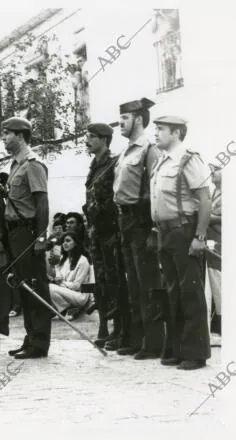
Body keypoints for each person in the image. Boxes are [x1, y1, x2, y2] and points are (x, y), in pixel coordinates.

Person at [151, 116, 211, 370]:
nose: (156, 134)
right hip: (166, 233)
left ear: (176, 133)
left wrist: (199, 237)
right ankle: (176, 349)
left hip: (184, 230)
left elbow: (205, 199)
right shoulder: (162, 161)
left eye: (161, 129)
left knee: (190, 292)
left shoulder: (188, 158)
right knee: (172, 292)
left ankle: (195, 353)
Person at [0, 116, 51, 359]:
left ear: (20, 135)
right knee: (24, 286)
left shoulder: (32, 164)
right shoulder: (15, 165)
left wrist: (40, 238)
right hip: (15, 232)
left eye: (7, 134)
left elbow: (42, 203)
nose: (4, 138)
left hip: (28, 232)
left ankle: (39, 342)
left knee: (35, 286)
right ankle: (30, 338)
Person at [112, 97, 164, 359]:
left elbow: (155, 191)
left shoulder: (148, 149)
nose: (120, 123)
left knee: (147, 283)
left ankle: (153, 342)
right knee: (132, 283)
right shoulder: (126, 151)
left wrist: (153, 229)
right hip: (125, 220)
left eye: (124, 118)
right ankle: (136, 337)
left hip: (141, 220)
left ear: (139, 120)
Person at [83, 122, 129, 348]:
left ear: (104, 140)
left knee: (115, 280)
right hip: (96, 233)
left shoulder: (113, 164)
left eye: (92, 137)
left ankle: (119, 329)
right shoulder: (93, 166)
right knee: (100, 281)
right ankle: (103, 326)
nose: (87, 140)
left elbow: (116, 198)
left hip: (110, 231)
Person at [48, 231, 94, 319]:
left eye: (68, 241)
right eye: (63, 242)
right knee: (45, 286)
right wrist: (56, 268)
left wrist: (59, 283)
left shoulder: (83, 260)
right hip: (67, 292)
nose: (64, 244)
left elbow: (76, 286)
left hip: (80, 295)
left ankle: (64, 309)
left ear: (76, 243)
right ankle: (68, 309)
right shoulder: (63, 259)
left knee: (50, 287)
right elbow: (59, 277)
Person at [207, 163, 221, 336]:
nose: (212, 172)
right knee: (214, 281)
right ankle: (217, 321)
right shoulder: (213, 192)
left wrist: (207, 217)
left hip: (222, 242)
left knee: (219, 281)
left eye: (217, 169)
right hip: (212, 241)